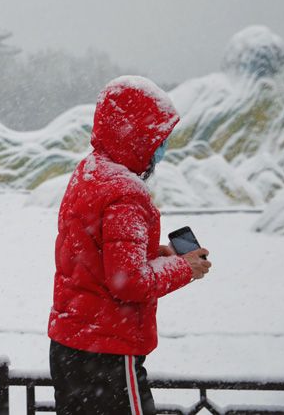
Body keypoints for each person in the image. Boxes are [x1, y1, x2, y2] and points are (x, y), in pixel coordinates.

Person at [47, 76, 212, 415]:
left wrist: (156, 257)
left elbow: (93, 256)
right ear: (138, 137)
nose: (161, 149)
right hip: (107, 354)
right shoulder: (126, 192)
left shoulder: (89, 172)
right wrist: (186, 267)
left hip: (70, 343)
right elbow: (129, 282)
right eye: (159, 139)